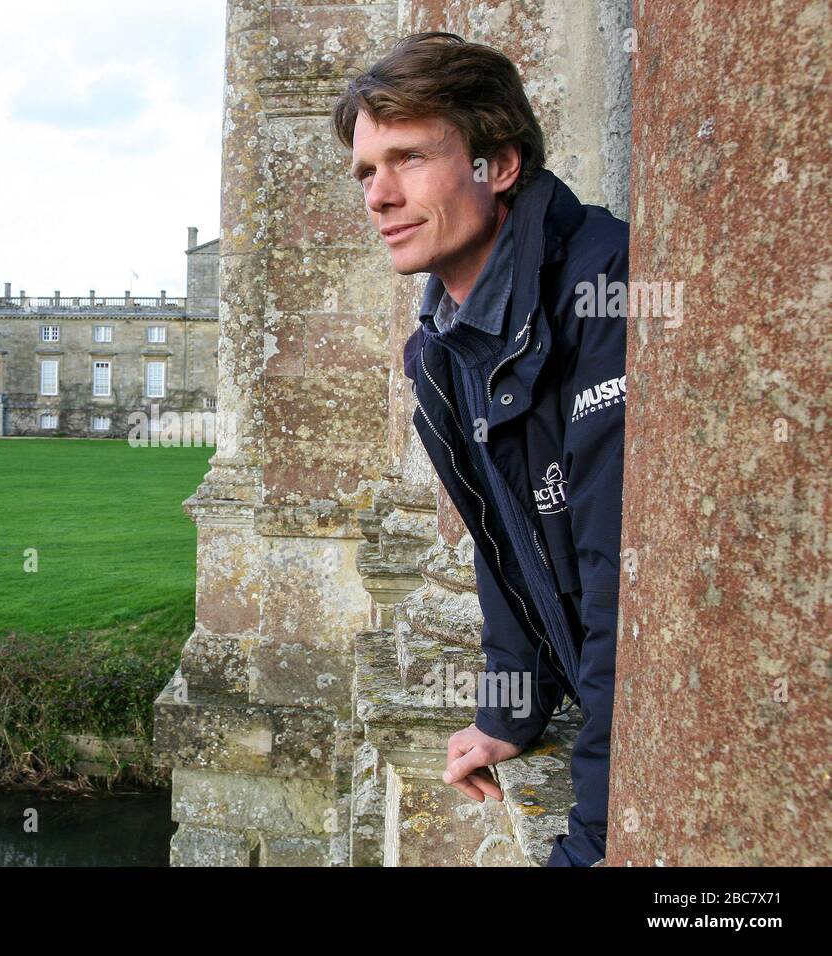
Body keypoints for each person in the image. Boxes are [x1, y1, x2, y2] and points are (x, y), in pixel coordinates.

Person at [332, 31, 629, 866]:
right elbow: (505, 554)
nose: (378, 196)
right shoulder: (439, 350)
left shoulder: (605, 294)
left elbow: (626, 598)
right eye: (365, 171)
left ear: (496, 165)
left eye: (409, 159)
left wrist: (598, 842)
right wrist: (505, 710)